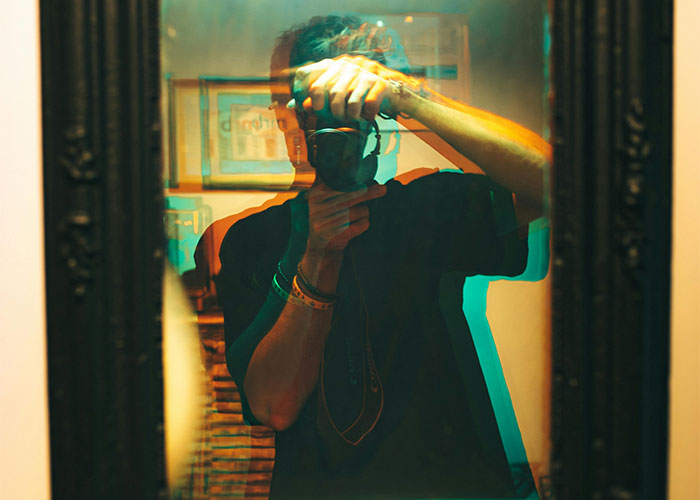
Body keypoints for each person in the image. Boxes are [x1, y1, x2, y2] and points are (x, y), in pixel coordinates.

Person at [216, 15, 551, 499]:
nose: (300, 116)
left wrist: (404, 95)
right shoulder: (252, 240)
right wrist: (318, 253)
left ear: (371, 118)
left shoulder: (427, 207)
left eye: (326, 101)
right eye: (290, 100)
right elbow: (274, 407)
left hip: (450, 485)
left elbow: (558, 182)